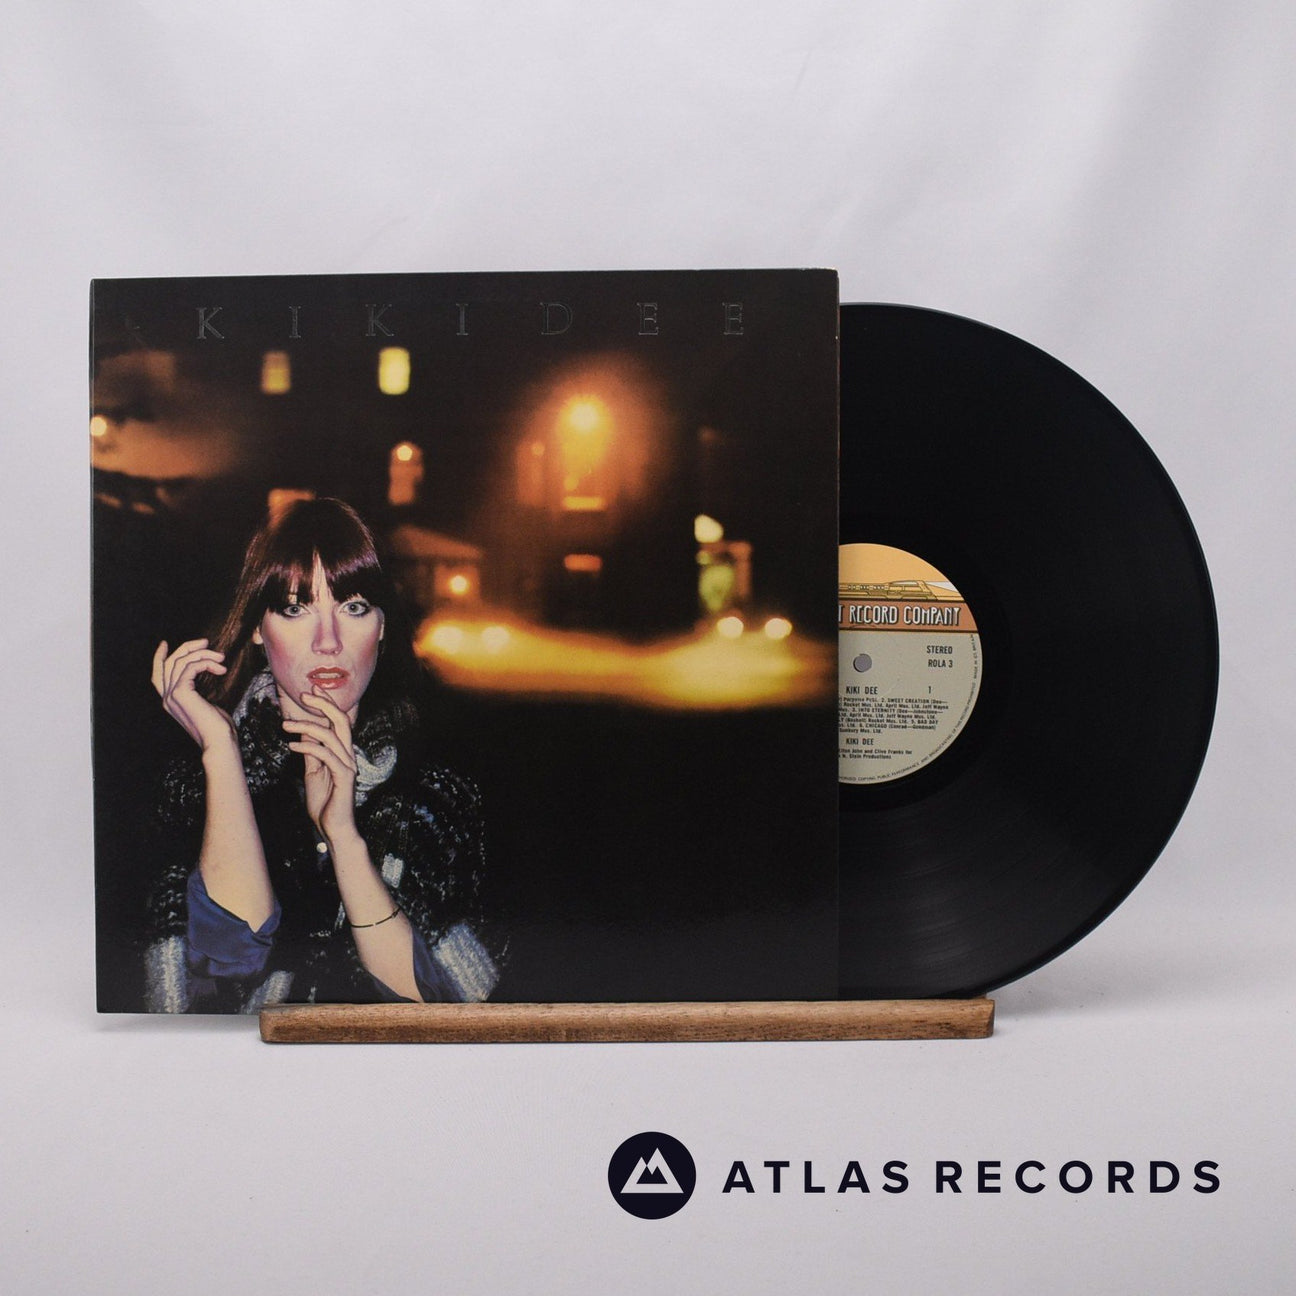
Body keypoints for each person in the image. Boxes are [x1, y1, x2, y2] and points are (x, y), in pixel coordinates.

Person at [143, 497, 499, 1012]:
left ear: (382, 626)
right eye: (295, 609)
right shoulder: (193, 786)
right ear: (258, 629)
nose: (328, 641)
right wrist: (221, 753)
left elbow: (440, 1005)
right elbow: (225, 970)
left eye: (353, 607)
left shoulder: (442, 796)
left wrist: (344, 839)